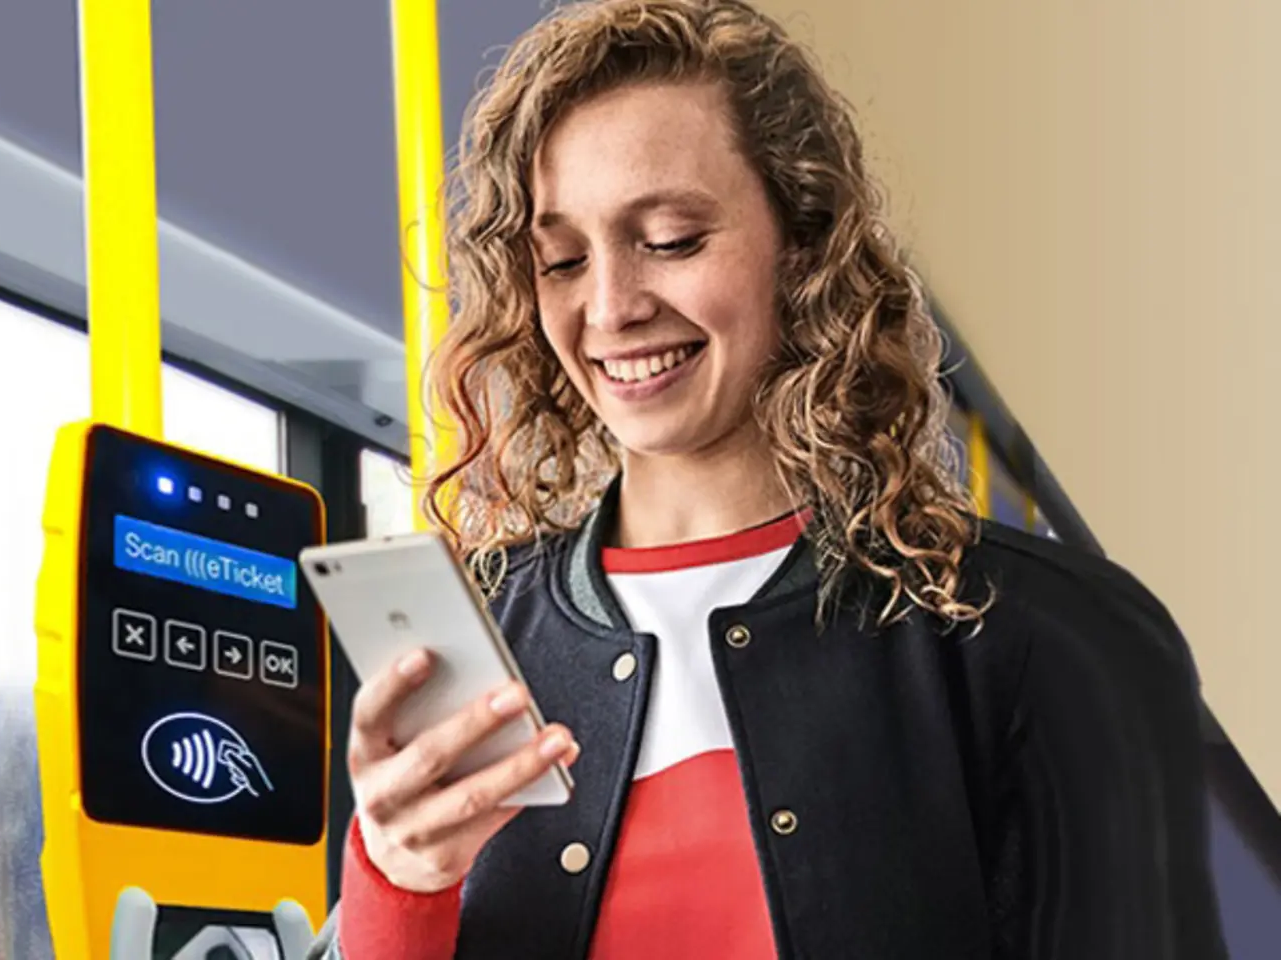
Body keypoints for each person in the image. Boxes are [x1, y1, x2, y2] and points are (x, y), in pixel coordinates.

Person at [310, 1, 1226, 957]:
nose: (611, 307)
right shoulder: (484, 646)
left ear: (803, 242)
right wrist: (399, 882)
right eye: (564, 259)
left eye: (670, 239)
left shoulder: (1054, 637)